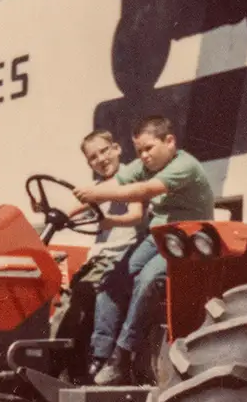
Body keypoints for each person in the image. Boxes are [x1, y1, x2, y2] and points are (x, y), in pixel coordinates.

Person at [72, 115, 215, 385]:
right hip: (157, 236)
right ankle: (99, 355)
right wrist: (68, 211)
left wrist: (97, 195)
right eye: (140, 151)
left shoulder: (184, 166)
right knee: (111, 281)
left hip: (186, 240)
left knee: (147, 280)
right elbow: (114, 183)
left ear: (169, 141)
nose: (144, 156)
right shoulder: (144, 165)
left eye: (149, 148)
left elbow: (144, 189)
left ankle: (123, 355)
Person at [50, 131, 144, 379]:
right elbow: (81, 204)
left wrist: (111, 222)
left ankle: (94, 360)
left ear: (117, 148)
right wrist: (59, 215)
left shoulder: (131, 176)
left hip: (123, 254)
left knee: (79, 299)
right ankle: (65, 365)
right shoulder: (99, 187)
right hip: (100, 258)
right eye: (93, 157)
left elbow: (135, 214)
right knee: (68, 300)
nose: (101, 159)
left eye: (104, 151)